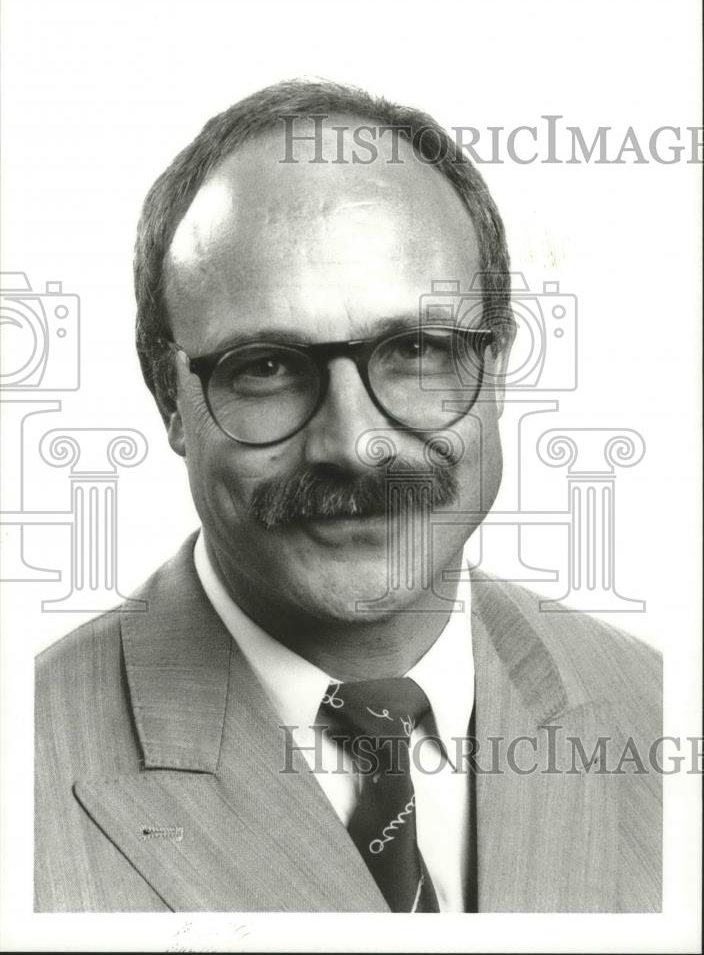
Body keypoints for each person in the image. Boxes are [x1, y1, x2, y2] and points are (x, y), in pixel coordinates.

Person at [35, 80, 661, 913]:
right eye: (264, 365)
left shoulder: (653, 707)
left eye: (413, 348)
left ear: (498, 365)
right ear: (167, 398)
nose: (354, 443)